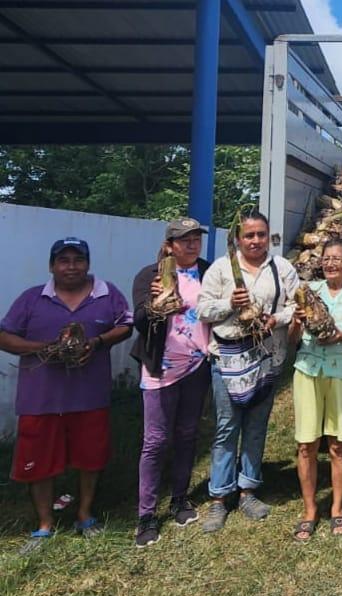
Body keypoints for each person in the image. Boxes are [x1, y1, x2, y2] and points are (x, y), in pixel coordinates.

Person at [0, 237, 132, 553]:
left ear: (88, 263)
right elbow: (4, 336)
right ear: (52, 266)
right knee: (39, 462)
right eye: (64, 260)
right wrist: (44, 348)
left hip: (89, 397)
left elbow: (126, 325)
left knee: (90, 458)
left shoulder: (107, 293)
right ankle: (44, 524)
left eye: (78, 260)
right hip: (40, 399)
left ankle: (84, 514)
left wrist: (97, 342)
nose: (71, 266)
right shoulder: (33, 299)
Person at [196, 208, 299, 533]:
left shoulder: (281, 268)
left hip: (267, 357)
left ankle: (248, 490)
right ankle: (219, 496)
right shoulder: (221, 268)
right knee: (227, 427)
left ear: (269, 237)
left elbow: (296, 304)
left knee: (256, 425)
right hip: (229, 359)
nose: (255, 241)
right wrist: (230, 303)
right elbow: (202, 309)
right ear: (237, 239)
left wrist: (277, 319)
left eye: (261, 235)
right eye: (249, 235)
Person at [130, 218, 212, 548]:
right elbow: (139, 321)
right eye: (184, 239)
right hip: (160, 367)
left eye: (196, 239)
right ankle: (146, 514)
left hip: (197, 366)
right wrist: (154, 305)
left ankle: (179, 498)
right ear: (169, 245)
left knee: (187, 433)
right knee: (155, 441)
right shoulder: (150, 275)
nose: (192, 244)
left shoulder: (207, 272)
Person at [289, 239, 342, 540]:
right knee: (306, 444)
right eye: (326, 258)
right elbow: (292, 340)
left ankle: (337, 508)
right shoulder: (309, 291)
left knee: (338, 444)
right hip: (308, 370)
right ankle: (310, 509)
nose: (330, 263)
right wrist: (297, 322)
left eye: (337, 259)